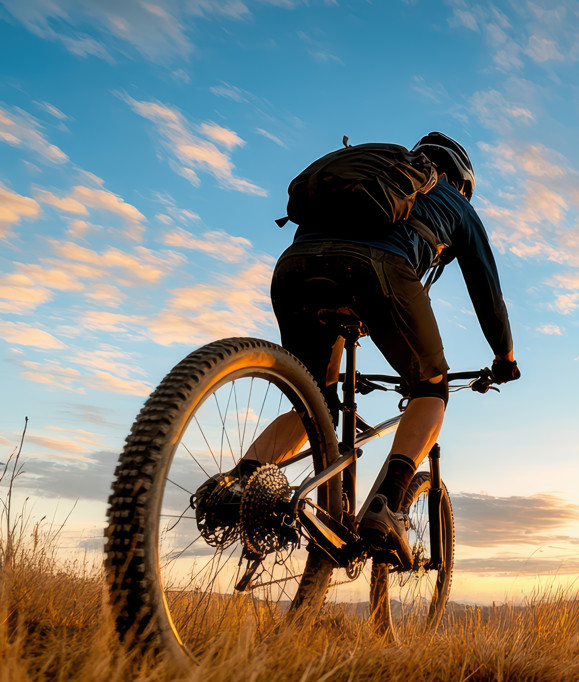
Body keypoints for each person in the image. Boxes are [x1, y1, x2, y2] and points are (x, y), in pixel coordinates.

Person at [193, 132, 517, 566]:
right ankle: (388, 505)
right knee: (430, 390)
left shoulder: (377, 173)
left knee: (316, 404)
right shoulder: (455, 200)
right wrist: (504, 357)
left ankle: (237, 483)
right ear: (462, 181)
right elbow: (487, 292)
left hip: (294, 270)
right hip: (378, 270)